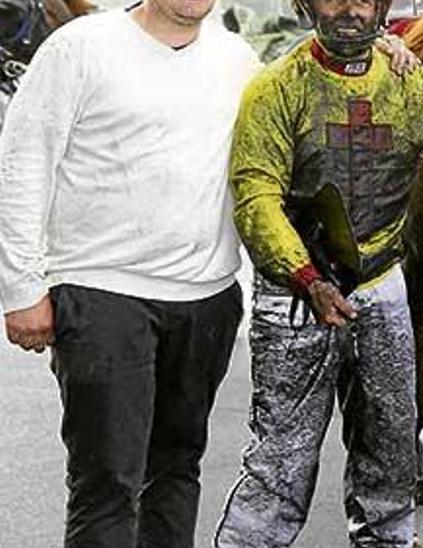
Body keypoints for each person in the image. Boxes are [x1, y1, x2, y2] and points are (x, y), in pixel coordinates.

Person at [208, 0, 423, 543]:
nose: (350, 8)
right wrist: (306, 277)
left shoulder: (410, 85)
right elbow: (255, 197)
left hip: (382, 291)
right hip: (297, 298)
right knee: (281, 465)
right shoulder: (274, 90)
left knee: (391, 451)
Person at [0, 0, 258, 544]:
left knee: (177, 470)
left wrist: (388, 45)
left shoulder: (237, 59)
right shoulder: (81, 48)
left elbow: (301, 107)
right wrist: (21, 288)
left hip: (207, 298)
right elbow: (24, 160)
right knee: (109, 482)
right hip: (103, 295)